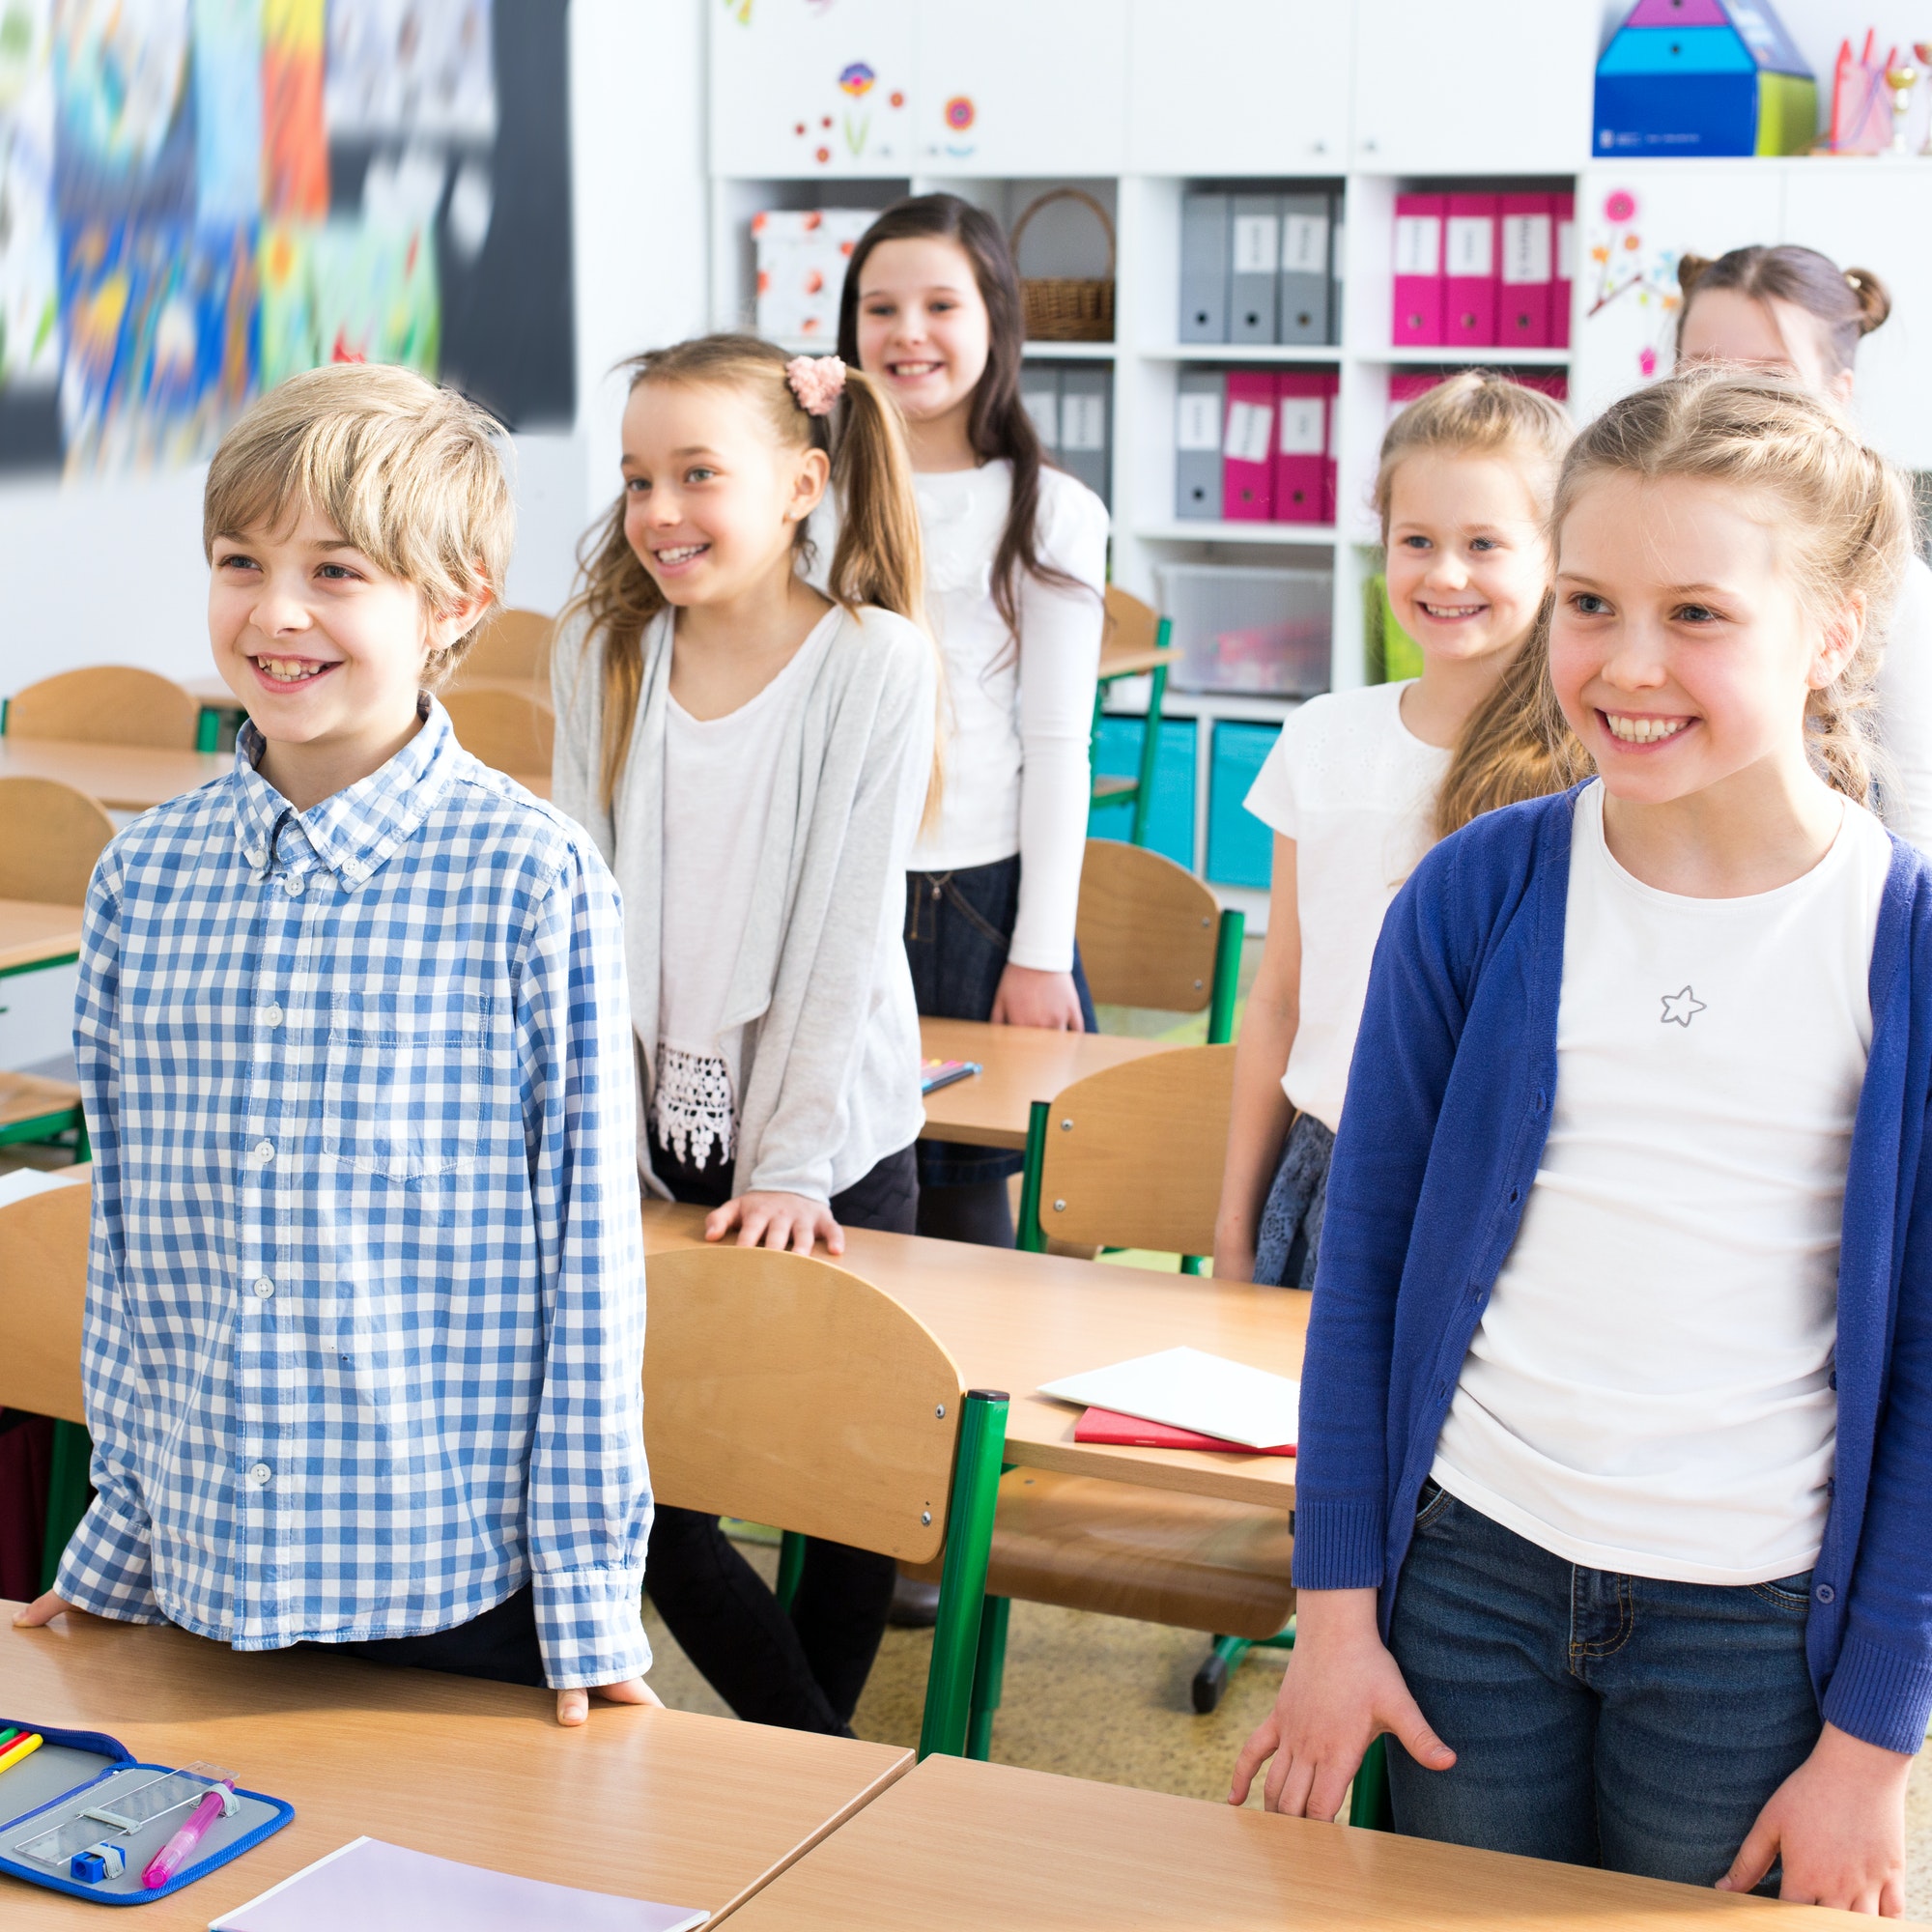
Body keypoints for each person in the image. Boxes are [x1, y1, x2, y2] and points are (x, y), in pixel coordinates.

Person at [1232, 368, 1932, 1917]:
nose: (1627, 665)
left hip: (1749, 1630)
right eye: (1594, 602)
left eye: (1698, 615)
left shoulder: (1903, 944)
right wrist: (1335, 1617)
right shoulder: (1478, 895)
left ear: (1833, 631)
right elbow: (1366, 1285)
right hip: (1466, 1577)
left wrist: (1874, 1746)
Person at [14, 364, 655, 1728]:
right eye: (240, 561)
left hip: (451, 1589)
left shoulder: (530, 882)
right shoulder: (146, 884)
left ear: (456, 602)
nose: (276, 612)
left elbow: (590, 1274)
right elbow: (130, 1260)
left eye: (338, 570)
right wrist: (116, 1539)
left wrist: (589, 1602)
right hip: (196, 1571)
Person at [550, 333, 936, 1734]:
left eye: (698, 474)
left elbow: (847, 932)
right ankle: (814, 1757)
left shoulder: (874, 661)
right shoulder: (602, 647)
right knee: (641, 1482)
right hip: (652, 1141)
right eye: (638, 477)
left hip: (831, 1143)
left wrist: (788, 1165)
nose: (659, 511)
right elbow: (573, 911)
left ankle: (798, 1777)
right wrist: (597, 1143)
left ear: (802, 483)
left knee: (842, 1492)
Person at [1213, 373, 1582, 1288]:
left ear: (1556, 554)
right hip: (1325, 1168)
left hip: (1502, 1195)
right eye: (1416, 540)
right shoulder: (1323, 736)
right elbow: (1279, 1000)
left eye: (1485, 544)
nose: (1445, 574)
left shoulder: (1585, 768)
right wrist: (1230, 1230)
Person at [832, 192, 1109, 1250]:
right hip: (846, 874)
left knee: (961, 1203)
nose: (907, 333)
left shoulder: (1048, 509)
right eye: (879, 307)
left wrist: (1038, 951)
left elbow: (1056, 746)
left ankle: (957, 1407)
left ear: (995, 320)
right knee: (849, 1183)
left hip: (981, 901)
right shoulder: (813, 492)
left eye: (940, 304)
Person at [1677, 244, 1932, 851]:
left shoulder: (1895, 588)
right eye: (1702, 372)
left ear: (1838, 393)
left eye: (1771, 377)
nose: (1730, 399)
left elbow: (1920, 812)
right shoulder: (1628, 541)